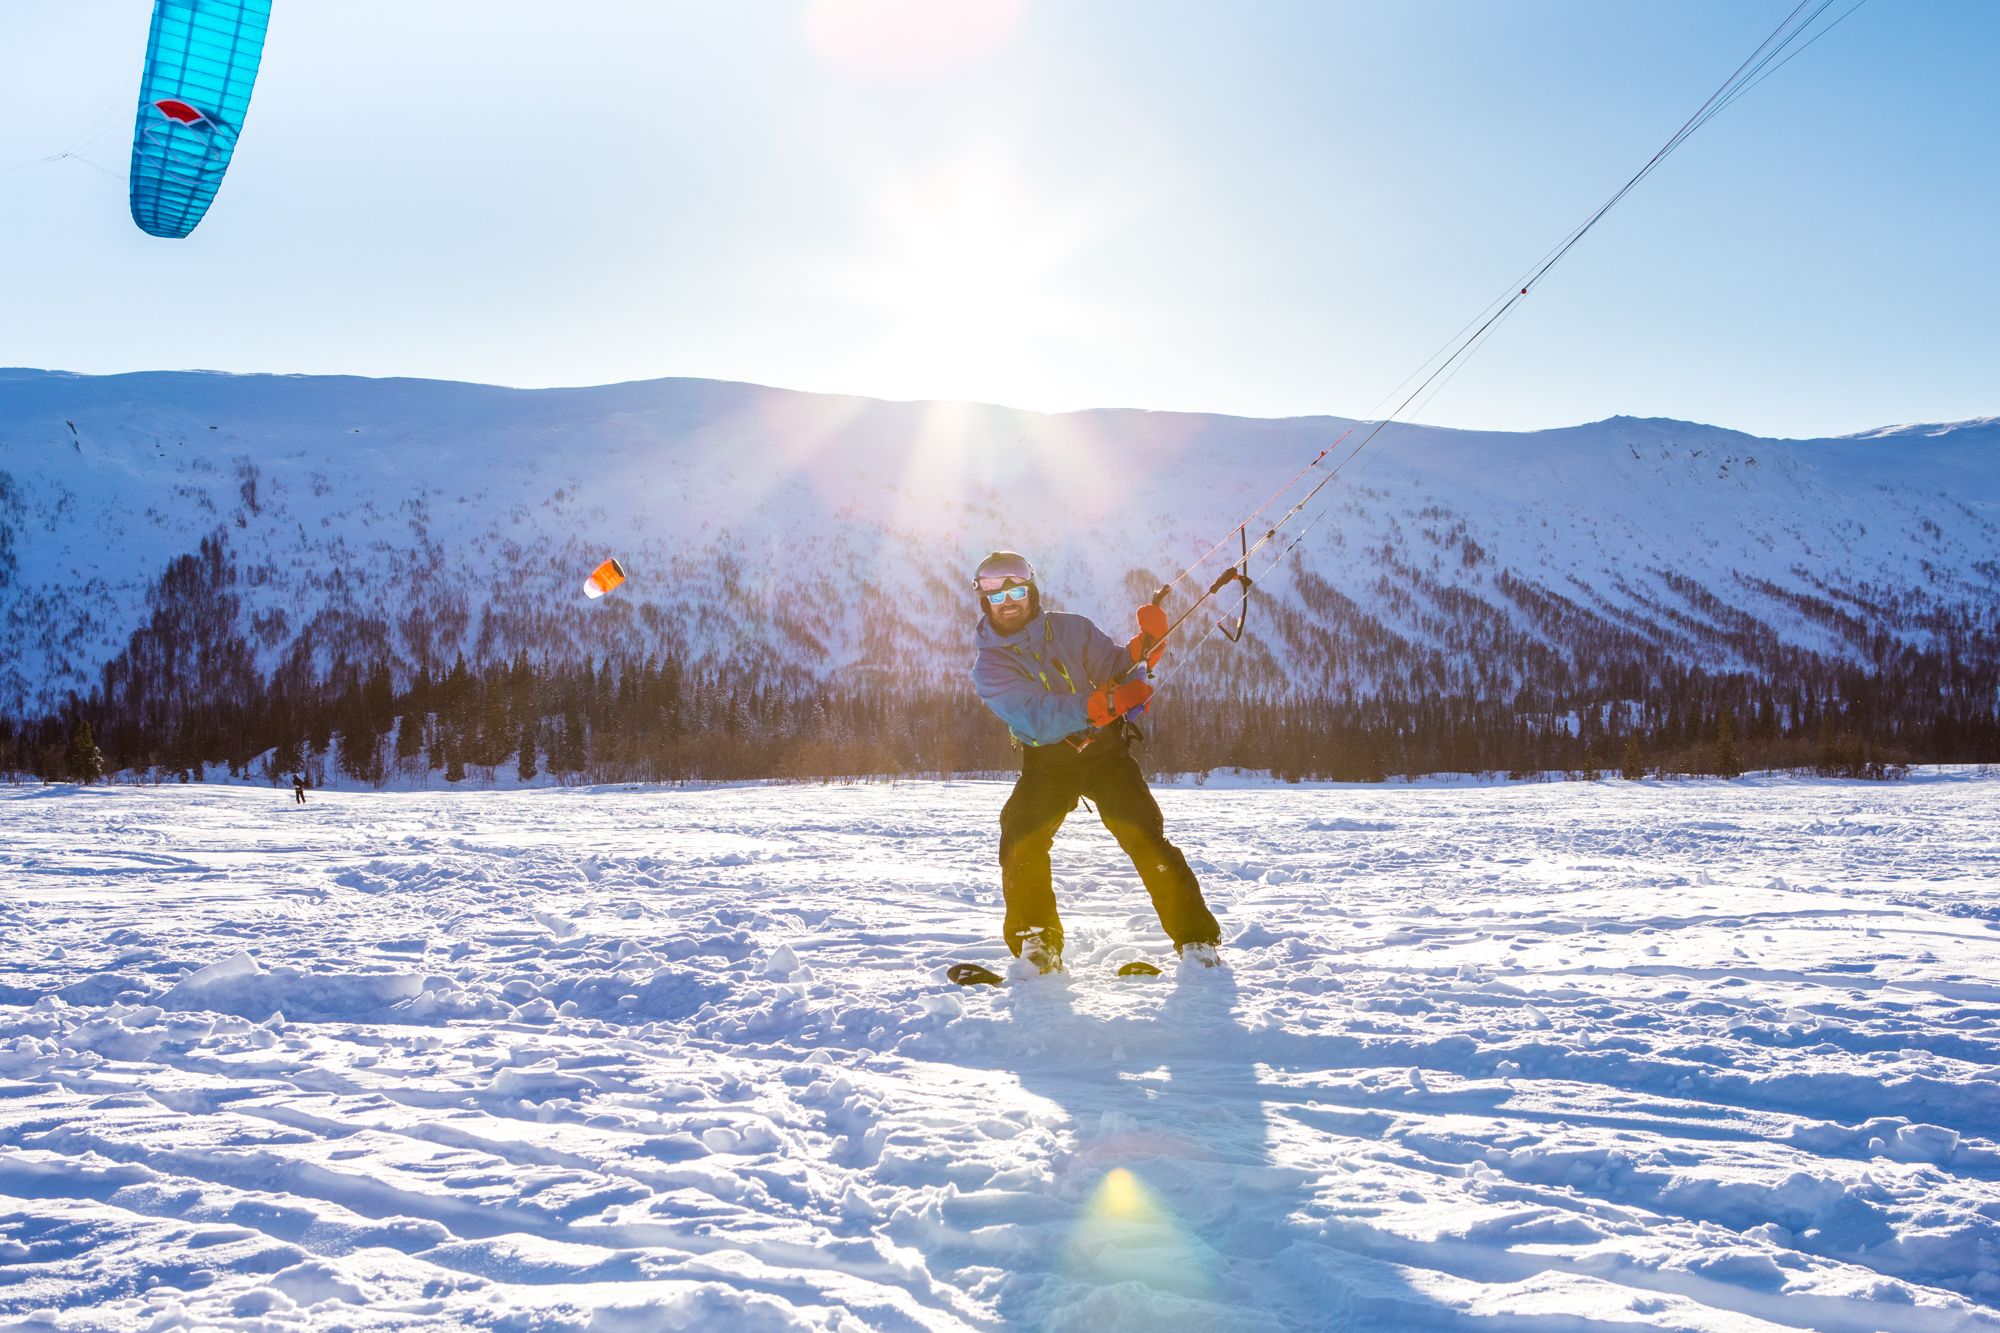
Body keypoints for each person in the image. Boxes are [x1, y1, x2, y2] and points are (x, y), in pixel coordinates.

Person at [969, 550, 1222, 974]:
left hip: (1106, 753)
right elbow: (1036, 714)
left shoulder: (1073, 629)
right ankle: (1037, 940)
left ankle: (1197, 940)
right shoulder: (989, 667)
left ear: (1030, 591)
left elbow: (1119, 667)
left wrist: (1145, 647)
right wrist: (1099, 703)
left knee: (1143, 835)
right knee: (1020, 835)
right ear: (983, 599)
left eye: (1015, 590)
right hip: (1049, 760)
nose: (1008, 601)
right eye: (996, 593)